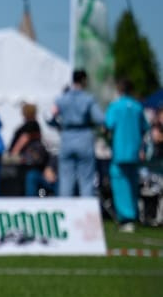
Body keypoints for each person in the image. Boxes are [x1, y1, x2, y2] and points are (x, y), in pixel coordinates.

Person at [48, 69, 104, 197]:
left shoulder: (61, 99)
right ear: (84, 80)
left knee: (66, 179)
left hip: (67, 138)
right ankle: (86, 211)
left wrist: (59, 125)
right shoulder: (88, 99)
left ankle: (66, 210)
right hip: (84, 137)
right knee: (86, 180)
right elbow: (100, 118)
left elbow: (50, 117)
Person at [106, 78, 147, 233]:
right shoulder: (138, 107)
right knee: (132, 184)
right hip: (134, 151)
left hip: (120, 151)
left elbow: (108, 125)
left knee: (120, 184)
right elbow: (145, 128)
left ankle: (126, 218)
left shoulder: (115, 106)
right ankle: (133, 215)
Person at [8, 102, 49, 197]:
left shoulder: (31, 125)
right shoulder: (35, 124)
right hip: (28, 162)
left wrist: (14, 152)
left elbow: (24, 138)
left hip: (27, 162)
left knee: (27, 183)